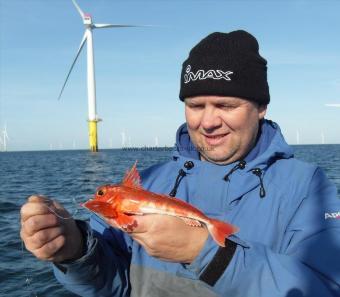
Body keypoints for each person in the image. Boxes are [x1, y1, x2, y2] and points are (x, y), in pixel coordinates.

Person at [20, 30, 340, 297]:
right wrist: (74, 250)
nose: (208, 121)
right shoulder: (148, 181)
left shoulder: (308, 187)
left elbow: (326, 287)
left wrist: (205, 253)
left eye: (226, 105)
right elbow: (113, 285)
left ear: (261, 108)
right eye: (195, 105)